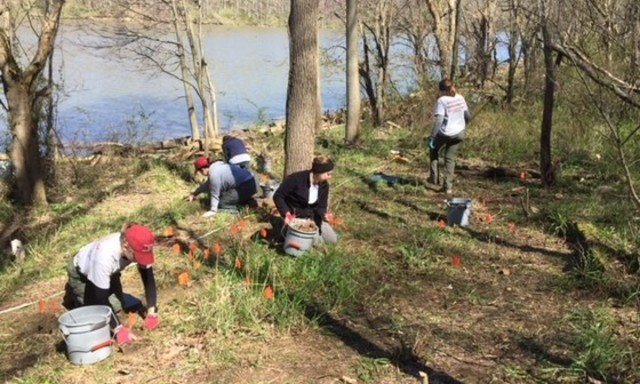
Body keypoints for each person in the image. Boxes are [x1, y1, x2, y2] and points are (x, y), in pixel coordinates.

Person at [63, 224, 159, 345]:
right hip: (81, 274)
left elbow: (148, 277)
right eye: (137, 256)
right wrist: (118, 330)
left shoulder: (138, 246)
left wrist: (152, 311)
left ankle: (100, 285)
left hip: (109, 272)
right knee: (95, 317)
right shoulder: (103, 258)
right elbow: (101, 299)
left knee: (117, 306)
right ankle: (74, 294)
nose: (140, 259)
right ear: (125, 245)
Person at [273, 155, 338, 245]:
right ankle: (285, 230)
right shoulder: (296, 179)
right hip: (295, 217)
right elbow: (278, 196)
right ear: (319, 172)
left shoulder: (324, 185)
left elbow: (321, 206)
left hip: (312, 217)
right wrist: (286, 213)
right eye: (328, 174)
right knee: (317, 242)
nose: (330, 177)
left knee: (332, 240)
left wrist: (324, 215)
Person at [428, 78, 470, 195]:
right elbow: (467, 115)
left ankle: (434, 178)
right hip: (459, 133)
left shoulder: (442, 100)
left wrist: (432, 137)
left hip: (445, 133)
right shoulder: (460, 98)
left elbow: (439, 121)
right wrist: (464, 124)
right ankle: (448, 187)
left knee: (433, 149)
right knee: (449, 158)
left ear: (441, 90)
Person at [187, 156, 257, 217]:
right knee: (227, 196)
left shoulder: (214, 174)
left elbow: (215, 194)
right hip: (252, 182)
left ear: (202, 170)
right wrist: (194, 194)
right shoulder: (217, 167)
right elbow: (206, 185)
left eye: (200, 172)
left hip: (246, 186)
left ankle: (238, 213)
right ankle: (249, 202)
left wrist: (213, 210)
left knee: (223, 203)